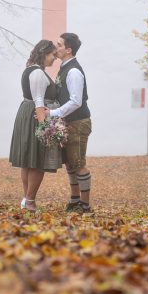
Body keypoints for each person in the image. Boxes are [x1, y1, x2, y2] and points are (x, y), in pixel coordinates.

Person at [9, 39, 60, 210]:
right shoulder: (37, 73)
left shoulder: (29, 69)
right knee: (37, 160)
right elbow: (39, 100)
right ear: (44, 54)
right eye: (53, 55)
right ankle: (29, 200)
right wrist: (44, 126)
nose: (54, 58)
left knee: (28, 160)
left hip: (27, 113)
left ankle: (27, 200)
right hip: (35, 115)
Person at [46, 32, 93, 213]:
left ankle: (85, 205)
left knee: (78, 164)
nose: (55, 47)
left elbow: (76, 101)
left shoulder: (73, 71)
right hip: (69, 122)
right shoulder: (64, 67)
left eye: (59, 45)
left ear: (68, 49)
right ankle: (74, 200)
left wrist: (53, 113)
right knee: (70, 164)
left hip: (78, 122)